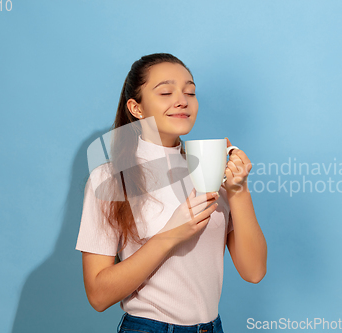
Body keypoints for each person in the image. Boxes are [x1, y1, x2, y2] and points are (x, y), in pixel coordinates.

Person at [76, 53, 267, 333]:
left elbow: (254, 272)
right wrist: (172, 233)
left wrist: (239, 191)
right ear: (136, 108)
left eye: (190, 91)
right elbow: (98, 295)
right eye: (166, 92)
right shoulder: (109, 178)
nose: (182, 100)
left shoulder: (211, 168)